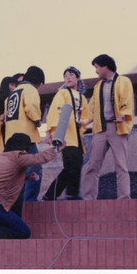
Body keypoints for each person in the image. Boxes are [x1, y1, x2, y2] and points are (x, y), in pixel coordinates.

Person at [0, 133, 62, 239]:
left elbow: (4, 179)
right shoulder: (18, 156)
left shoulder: (0, 156)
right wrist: (56, 149)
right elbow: (39, 158)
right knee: (24, 232)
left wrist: (27, 178)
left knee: (7, 222)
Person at [81, 54, 134, 200]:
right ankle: (88, 198)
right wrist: (84, 122)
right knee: (92, 165)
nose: (96, 71)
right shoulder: (98, 86)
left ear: (105, 66)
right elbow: (92, 108)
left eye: (97, 67)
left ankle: (124, 198)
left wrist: (123, 114)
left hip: (117, 127)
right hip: (100, 129)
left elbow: (127, 99)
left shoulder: (123, 81)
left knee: (121, 165)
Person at [43, 66, 89, 201]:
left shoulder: (82, 98)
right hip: (65, 135)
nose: (67, 78)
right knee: (72, 164)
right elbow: (53, 113)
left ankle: (51, 195)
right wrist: (49, 133)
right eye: (65, 76)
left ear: (78, 78)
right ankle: (71, 194)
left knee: (74, 165)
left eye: (71, 75)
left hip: (76, 136)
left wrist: (82, 123)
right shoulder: (62, 94)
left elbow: (85, 116)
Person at [5, 66, 45, 203]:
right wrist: (37, 120)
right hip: (25, 137)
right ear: (38, 81)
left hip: (11, 139)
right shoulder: (30, 90)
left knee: (17, 173)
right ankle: (30, 202)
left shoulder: (13, 92)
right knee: (35, 169)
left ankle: (17, 201)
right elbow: (31, 106)